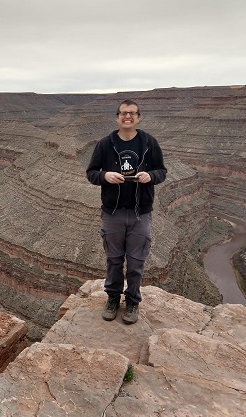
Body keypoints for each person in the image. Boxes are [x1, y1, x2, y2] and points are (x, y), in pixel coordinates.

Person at [86, 99, 167, 324]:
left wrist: (151, 176)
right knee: (113, 260)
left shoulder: (149, 143)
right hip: (113, 213)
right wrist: (104, 176)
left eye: (132, 113)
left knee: (136, 261)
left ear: (138, 117)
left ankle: (132, 301)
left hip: (140, 213)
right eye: (123, 113)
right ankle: (112, 298)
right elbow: (91, 173)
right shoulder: (105, 144)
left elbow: (162, 171)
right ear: (117, 117)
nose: (127, 117)